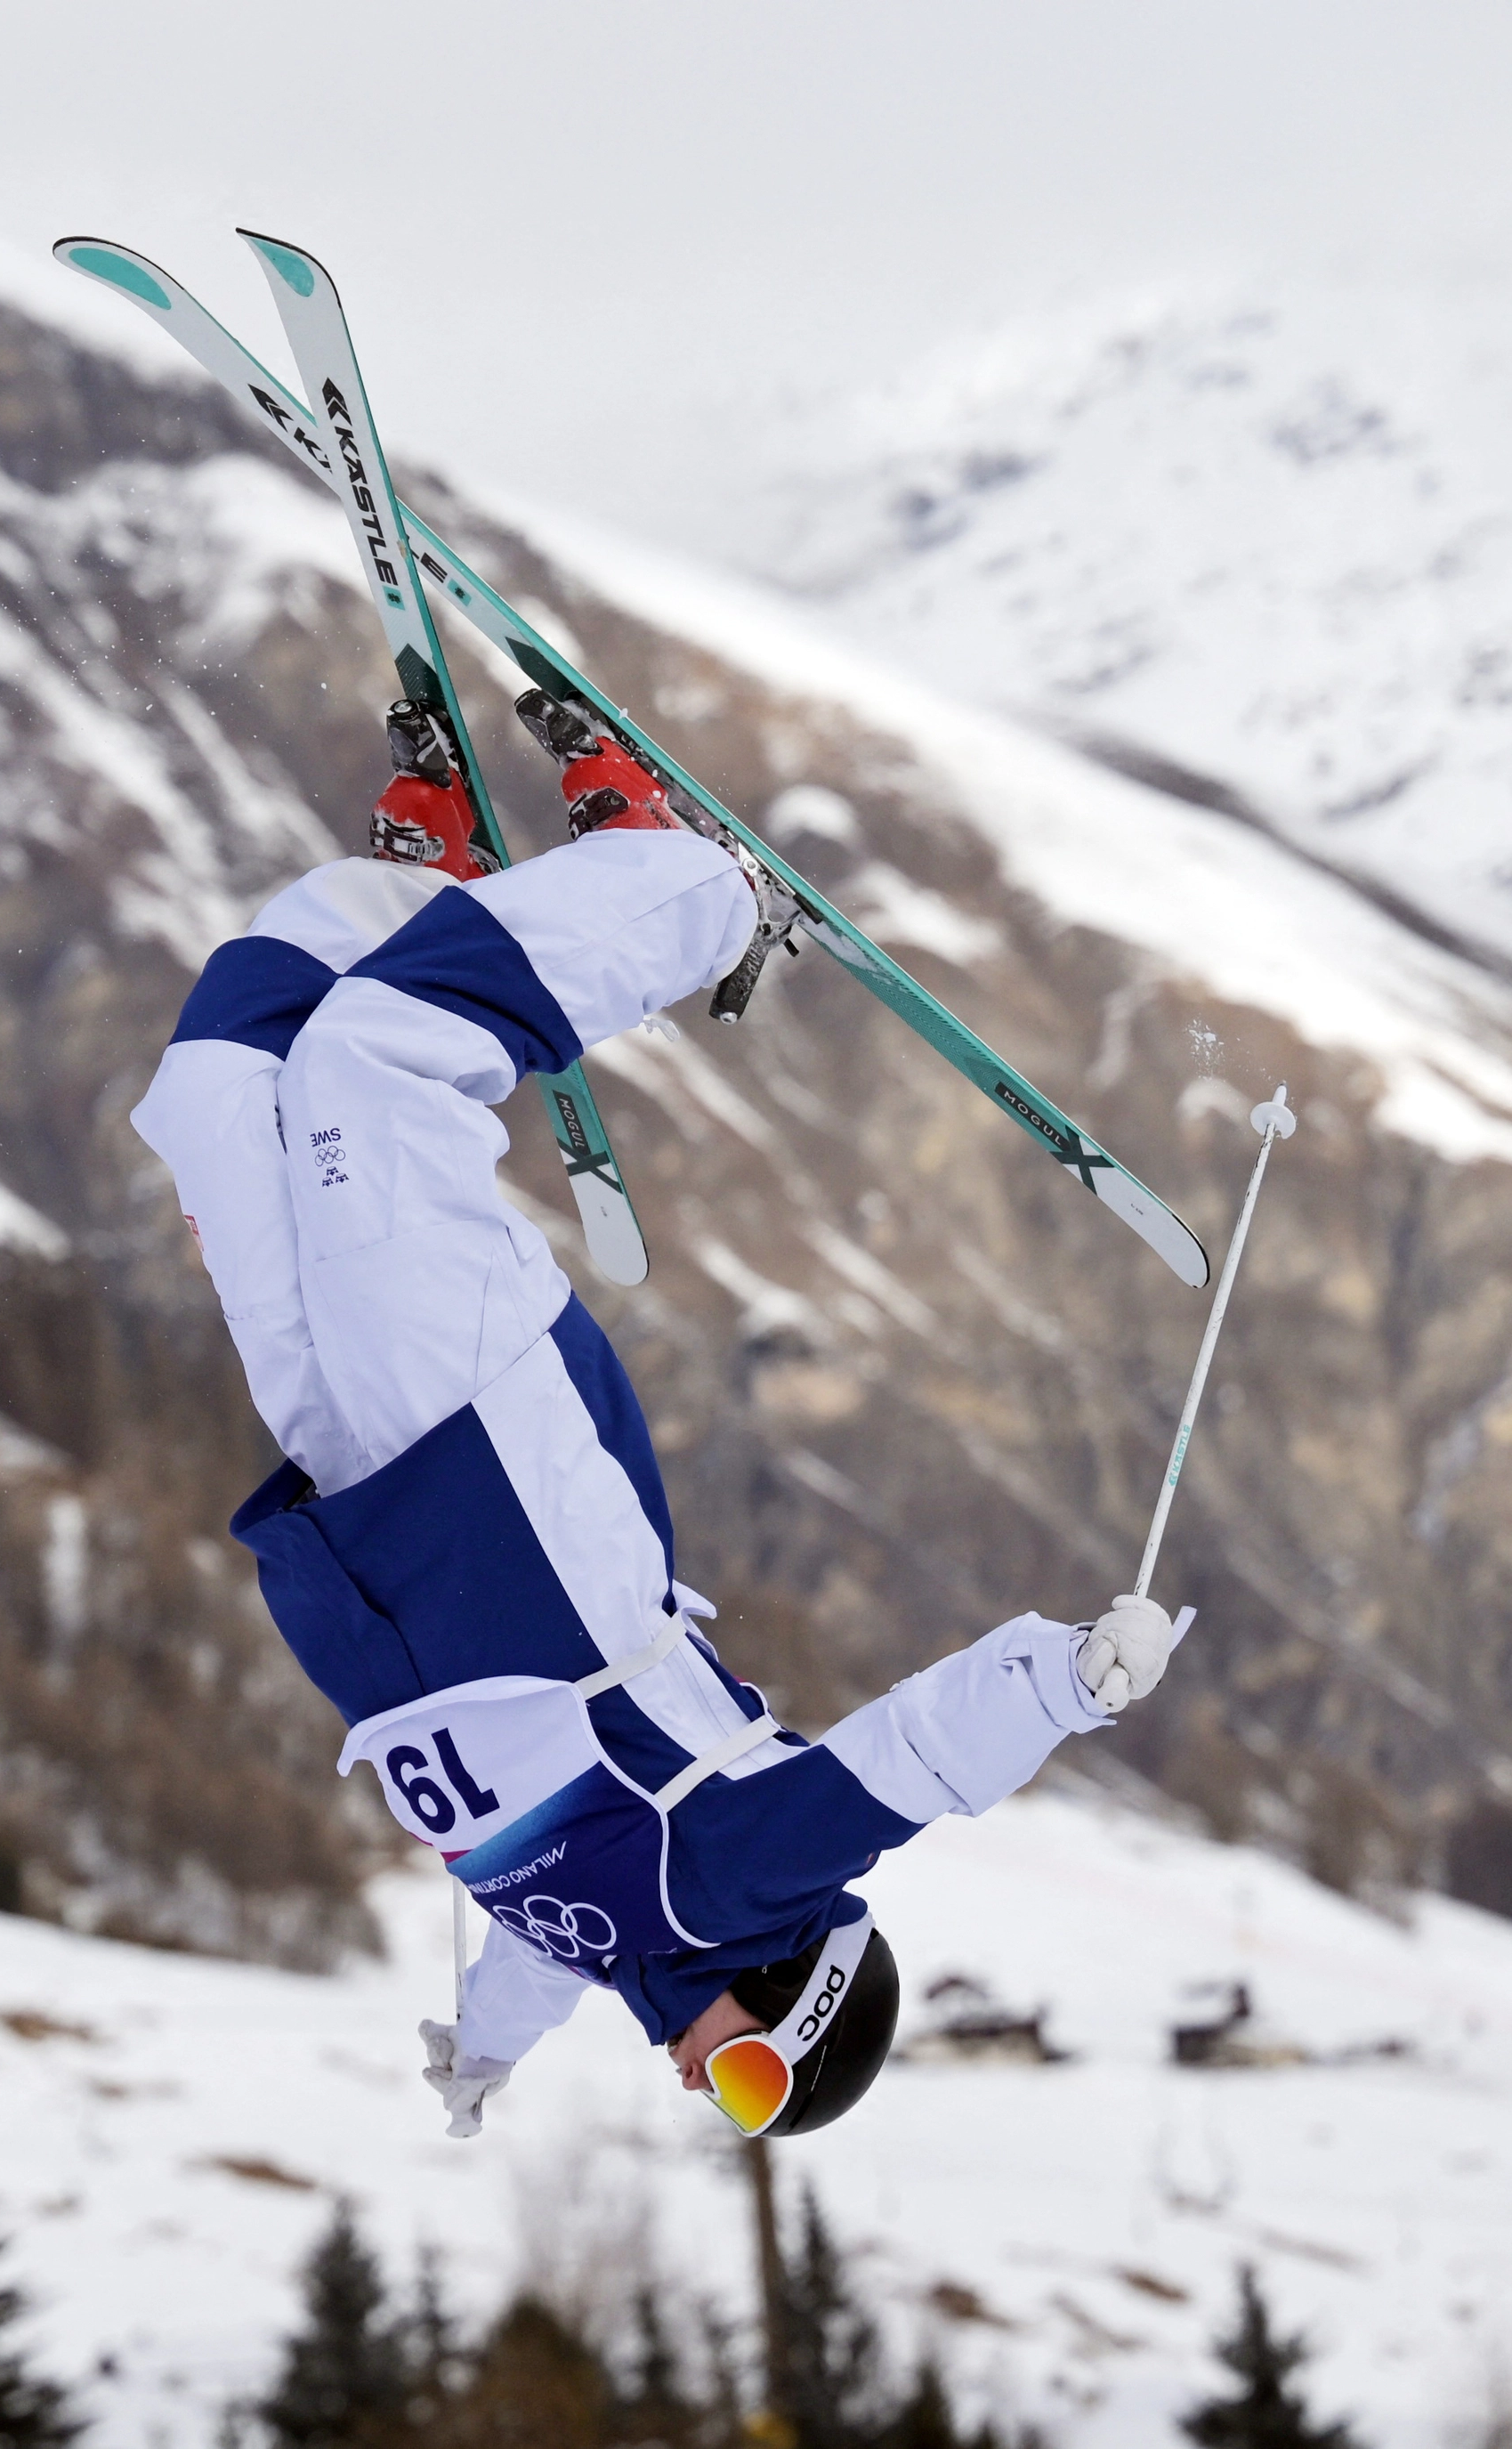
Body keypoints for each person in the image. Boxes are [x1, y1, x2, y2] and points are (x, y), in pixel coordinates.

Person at [129, 696, 1188, 2140]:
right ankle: (690, 883)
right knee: (371, 1073)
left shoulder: (627, 1948)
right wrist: (1073, 1682)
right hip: (481, 1463)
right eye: (753, 2075)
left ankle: (436, 900)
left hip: (363, 1501)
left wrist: (487, 2051)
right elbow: (908, 1763)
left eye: (733, 2105)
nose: (702, 2081)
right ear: (794, 1974)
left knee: (223, 1091)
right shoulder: (740, 1882)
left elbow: (538, 1949)